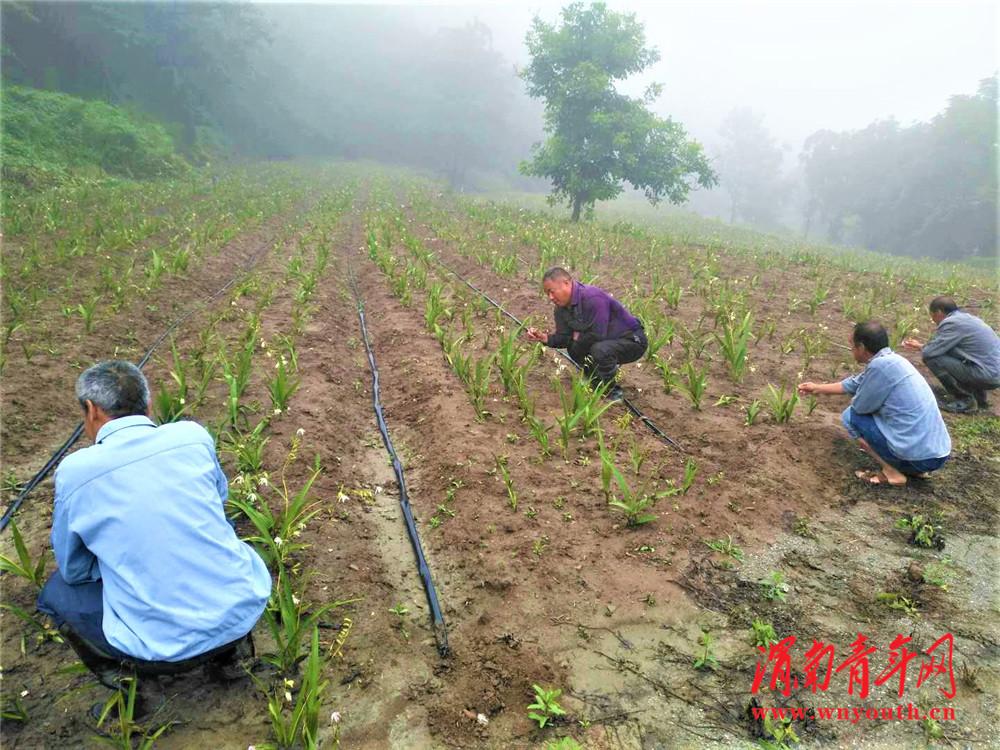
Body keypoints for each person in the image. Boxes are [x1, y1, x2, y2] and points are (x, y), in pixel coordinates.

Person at [37, 361, 271, 688]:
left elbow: (74, 570)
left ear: (91, 410)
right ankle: (230, 656)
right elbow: (219, 501)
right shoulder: (192, 435)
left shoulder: (76, 472)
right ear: (149, 404)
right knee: (221, 530)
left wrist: (123, 562)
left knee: (56, 592)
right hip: (241, 614)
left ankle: (123, 680)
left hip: (161, 652)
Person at [799, 321, 951, 487]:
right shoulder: (893, 361)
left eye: (852, 346)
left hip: (920, 457)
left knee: (851, 416)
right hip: (937, 454)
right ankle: (915, 469)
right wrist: (817, 388)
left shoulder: (880, 366)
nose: (851, 350)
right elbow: (853, 384)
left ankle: (892, 473)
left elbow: (860, 407)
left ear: (862, 347)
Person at [526, 267, 647, 401]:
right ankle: (594, 377)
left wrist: (575, 338)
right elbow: (565, 338)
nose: (550, 297)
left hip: (632, 340)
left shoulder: (592, 297)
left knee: (599, 350)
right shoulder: (561, 309)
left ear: (566, 283)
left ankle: (611, 392)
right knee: (574, 348)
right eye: (547, 294)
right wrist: (544, 337)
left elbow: (597, 334)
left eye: (552, 292)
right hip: (607, 342)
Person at [902, 296, 1000, 413]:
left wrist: (924, 348)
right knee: (960, 358)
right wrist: (920, 346)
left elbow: (930, 352)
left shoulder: (951, 323)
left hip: (986, 375)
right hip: (993, 373)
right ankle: (979, 399)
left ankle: (965, 400)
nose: (933, 320)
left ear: (938, 312)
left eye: (932, 315)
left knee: (932, 359)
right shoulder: (967, 319)